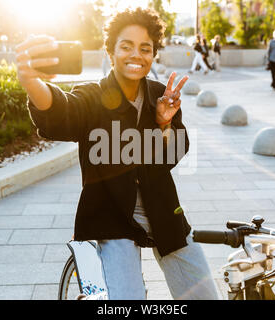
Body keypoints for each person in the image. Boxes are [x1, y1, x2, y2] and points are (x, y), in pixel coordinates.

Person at [15, 7, 219, 300]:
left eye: (145, 48)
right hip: (111, 215)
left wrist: (163, 123)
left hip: (163, 209)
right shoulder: (91, 96)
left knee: (205, 296)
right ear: (110, 51)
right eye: (126, 46)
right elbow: (61, 112)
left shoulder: (160, 95)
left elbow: (172, 156)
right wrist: (32, 82)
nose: (136, 54)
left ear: (153, 55)